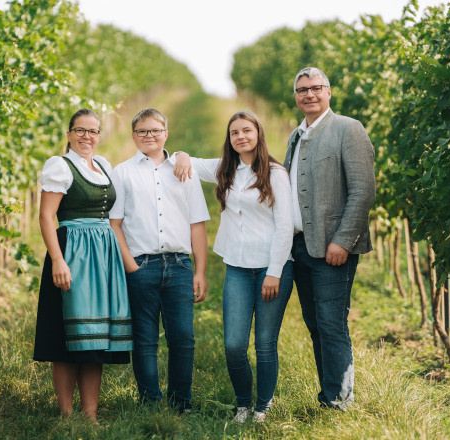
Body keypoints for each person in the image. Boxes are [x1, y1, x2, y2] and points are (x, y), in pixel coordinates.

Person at [174, 111, 294, 424]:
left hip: (272, 267)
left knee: (265, 343)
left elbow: (285, 227)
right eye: (234, 133)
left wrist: (275, 272)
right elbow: (186, 159)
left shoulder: (276, 174)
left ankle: (262, 407)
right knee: (234, 344)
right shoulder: (226, 169)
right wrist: (182, 154)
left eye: (246, 131)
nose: (240, 137)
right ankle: (243, 403)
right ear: (230, 140)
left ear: (258, 133)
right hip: (238, 268)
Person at [33, 108, 132, 422]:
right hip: (72, 251)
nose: (87, 136)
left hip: (102, 255)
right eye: (80, 130)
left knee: (96, 336)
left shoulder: (103, 165)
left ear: (99, 135)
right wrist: (57, 260)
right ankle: (65, 414)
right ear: (69, 133)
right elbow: (47, 216)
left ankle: (90, 415)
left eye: (93, 131)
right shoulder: (59, 166)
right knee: (65, 336)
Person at [285, 67, 375, 410]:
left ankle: (339, 401)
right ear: (296, 96)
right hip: (301, 247)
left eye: (316, 88)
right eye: (302, 89)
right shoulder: (296, 135)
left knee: (331, 323)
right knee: (315, 324)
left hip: (334, 248)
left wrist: (343, 240)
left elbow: (363, 190)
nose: (309, 94)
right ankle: (330, 394)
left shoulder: (348, 129)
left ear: (329, 92)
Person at [109, 108, 209, 414]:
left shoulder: (184, 169)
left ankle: (181, 402)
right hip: (142, 264)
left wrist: (200, 271)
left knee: (183, 337)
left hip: (179, 265)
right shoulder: (122, 172)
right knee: (144, 338)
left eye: (154, 130)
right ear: (134, 136)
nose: (149, 136)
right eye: (142, 132)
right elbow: (115, 224)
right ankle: (149, 402)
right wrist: (131, 266)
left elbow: (197, 224)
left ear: (166, 132)